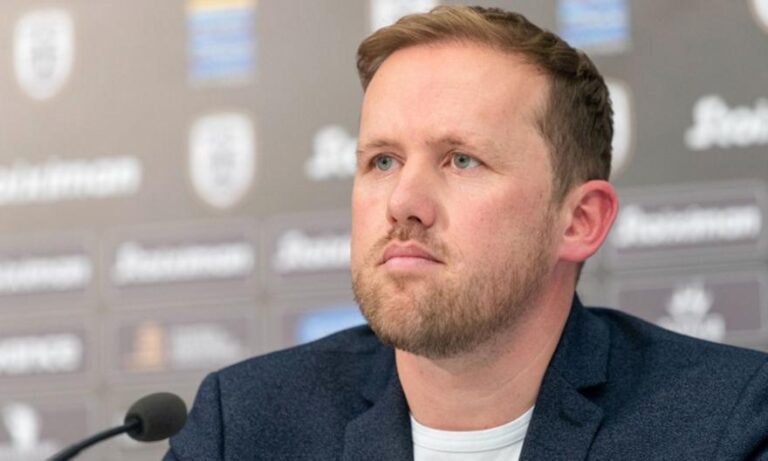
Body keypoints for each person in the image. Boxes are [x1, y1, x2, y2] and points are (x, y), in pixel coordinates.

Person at [165, 6, 768, 460]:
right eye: (382, 161)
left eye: (460, 160)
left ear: (580, 221)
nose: (403, 203)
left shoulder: (726, 424)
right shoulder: (244, 425)